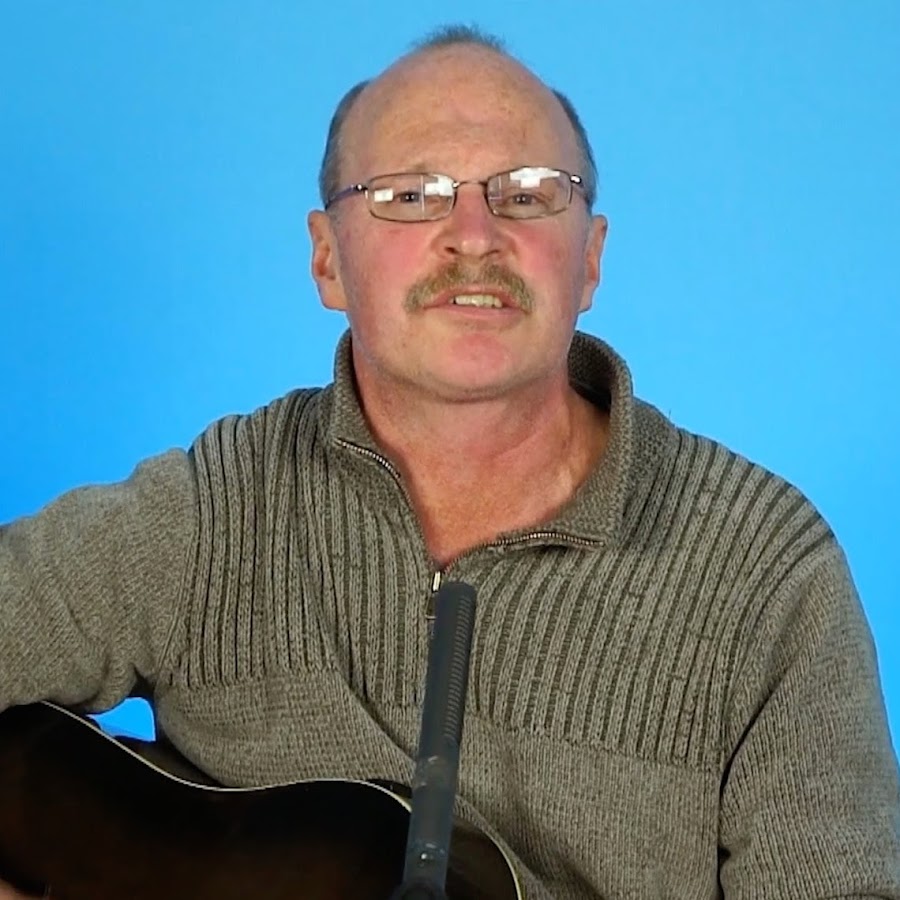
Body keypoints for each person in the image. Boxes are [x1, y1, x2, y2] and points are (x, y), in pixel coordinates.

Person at [1, 23, 898, 900]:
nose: (474, 235)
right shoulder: (214, 509)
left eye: (528, 194)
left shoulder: (765, 575)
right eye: (410, 195)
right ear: (327, 261)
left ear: (589, 260)